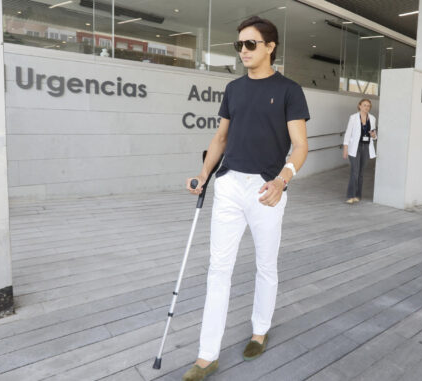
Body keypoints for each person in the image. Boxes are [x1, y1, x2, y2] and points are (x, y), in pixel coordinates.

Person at [182, 15, 310, 381]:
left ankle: (260, 330)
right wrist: (204, 175)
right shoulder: (234, 89)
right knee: (218, 269)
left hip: (266, 188)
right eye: (239, 45)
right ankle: (207, 356)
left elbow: (300, 146)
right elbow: (220, 139)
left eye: (250, 44)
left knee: (265, 265)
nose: (243, 51)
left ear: (270, 47)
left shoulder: (289, 90)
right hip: (228, 186)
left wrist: (283, 180)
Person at [342, 99, 377, 204]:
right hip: (355, 148)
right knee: (355, 172)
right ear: (360, 106)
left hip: (366, 147)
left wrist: (374, 135)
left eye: (368, 106)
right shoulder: (353, 118)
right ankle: (350, 195)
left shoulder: (372, 118)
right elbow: (348, 133)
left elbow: (374, 135)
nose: (366, 107)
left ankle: (358, 195)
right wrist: (345, 149)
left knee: (361, 173)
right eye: (364, 105)